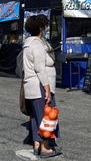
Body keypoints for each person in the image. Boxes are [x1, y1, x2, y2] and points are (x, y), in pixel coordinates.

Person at [22, 15, 60, 158]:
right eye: (44, 26)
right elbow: (40, 68)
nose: (45, 29)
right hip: (39, 85)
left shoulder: (28, 42)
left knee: (36, 116)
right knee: (47, 116)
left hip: (32, 85)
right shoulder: (37, 44)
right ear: (40, 27)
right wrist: (47, 89)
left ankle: (37, 143)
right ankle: (45, 148)